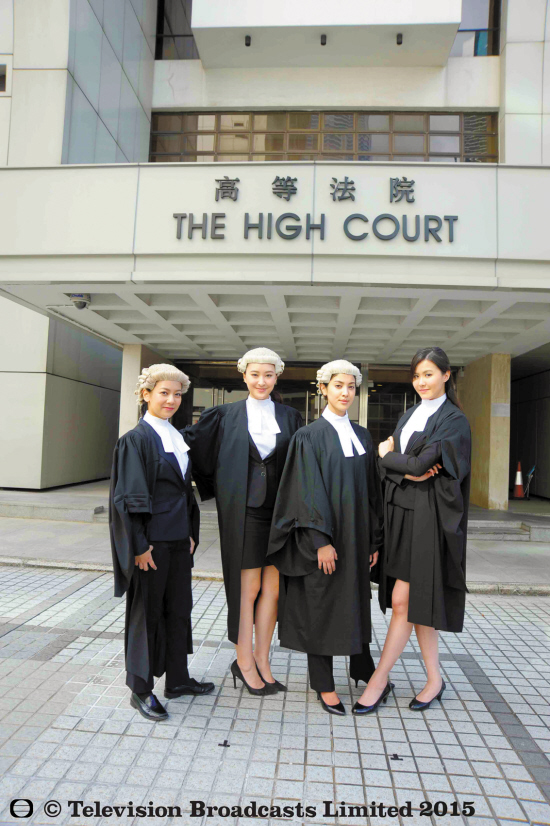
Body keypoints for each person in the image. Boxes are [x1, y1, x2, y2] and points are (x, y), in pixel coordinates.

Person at [354, 346, 471, 715]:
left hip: (429, 519)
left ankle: (379, 679)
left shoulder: (454, 421)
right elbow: (404, 468)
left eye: (429, 374)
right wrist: (402, 466)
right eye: (417, 375)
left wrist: (387, 456)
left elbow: (417, 463)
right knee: (416, 603)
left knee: (404, 600)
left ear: (446, 375)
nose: (421, 382)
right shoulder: (410, 415)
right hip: (400, 516)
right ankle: (434, 679)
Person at [184, 348, 303, 695]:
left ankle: (263, 660)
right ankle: (244, 660)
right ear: (244, 375)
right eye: (255, 374)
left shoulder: (291, 416)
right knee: (247, 589)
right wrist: (218, 487)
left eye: (268, 375)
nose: (261, 381)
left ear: (277, 377)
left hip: (280, 512)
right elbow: (192, 447)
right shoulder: (223, 415)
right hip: (244, 511)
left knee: (273, 590)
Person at [267, 361, 383, 715]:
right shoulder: (309, 436)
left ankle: (362, 669)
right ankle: (324, 684)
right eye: (338, 386)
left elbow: (372, 492)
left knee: (355, 602)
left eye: (350, 387)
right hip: (327, 540)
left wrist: (373, 541)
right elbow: (306, 493)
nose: (345, 393)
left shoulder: (363, 436)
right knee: (321, 605)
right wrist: (320, 541)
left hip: (357, 538)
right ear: (323, 389)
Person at [109, 363, 214, 722]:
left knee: (179, 610)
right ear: (146, 395)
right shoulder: (135, 440)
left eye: (177, 394)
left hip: (178, 541)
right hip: (151, 545)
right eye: (164, 393)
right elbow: (128, 498)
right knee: (147, 614)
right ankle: (140, 689)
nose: (171, 400)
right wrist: (138, 546)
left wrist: (189, 532)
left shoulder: (176, 436)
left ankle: (178, 680)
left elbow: (183, 491)